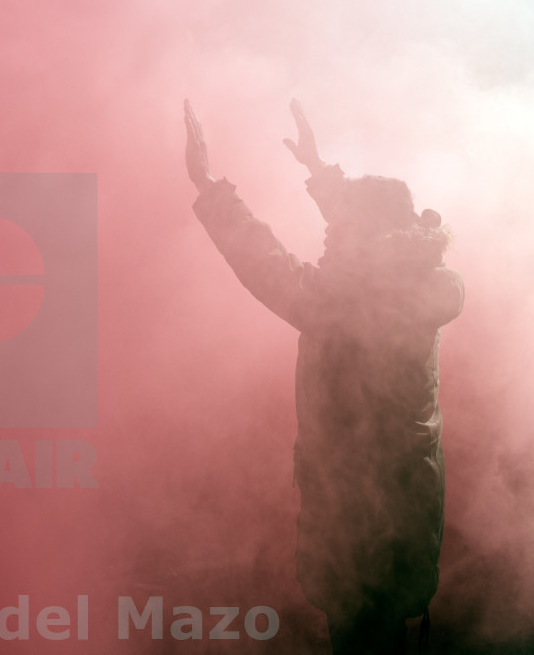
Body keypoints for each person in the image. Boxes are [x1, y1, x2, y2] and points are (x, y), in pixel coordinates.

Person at [183, 99, 464, 653]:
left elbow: (271, 267)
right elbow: (364, 234)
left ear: (366, 240)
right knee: (383, 626)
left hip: (361, 518)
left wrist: (210, 187)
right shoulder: (411, 278)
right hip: (403, 499)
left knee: (362, 633)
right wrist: (318, 171)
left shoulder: (344, 304)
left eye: (341, 234)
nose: (331, 241)